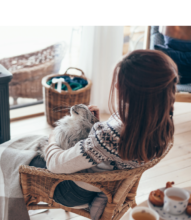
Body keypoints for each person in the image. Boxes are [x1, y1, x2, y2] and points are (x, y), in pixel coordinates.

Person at [29, 49, 178, 207]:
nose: (116, 86)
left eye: (121, 83)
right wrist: (96, 126)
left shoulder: (110, 136)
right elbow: (112, 152)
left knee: (14, 159)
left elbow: (55, 164)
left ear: (134, 93)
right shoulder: (163, 123)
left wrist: (52, 140)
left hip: (73, 192)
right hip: (106, 185)